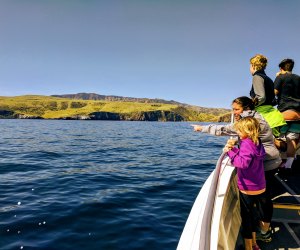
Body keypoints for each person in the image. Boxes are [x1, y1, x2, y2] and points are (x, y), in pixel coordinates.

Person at [192, 96, 280, 242]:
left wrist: (202, 128)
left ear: (246, 109)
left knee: (263, 200)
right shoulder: (256, 118)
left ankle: (264, 233)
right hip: (266, 162)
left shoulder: (251, 122)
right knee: (263, 199)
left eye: (236, 109)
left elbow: (227, 130)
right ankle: (262, 230)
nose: (233, 113)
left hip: (266, 165)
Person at [223, 117, 271, 250]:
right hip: (260, 186)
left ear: (247, 131)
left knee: (247, 218)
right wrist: (236, 150)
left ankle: (250, 247)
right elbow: (249, 156)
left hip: (247, 188)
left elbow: (242, 163)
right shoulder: (256, 141)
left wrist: (230, 151)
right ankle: (255, 243)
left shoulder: (246, 143)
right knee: (254, 214)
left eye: (239, 130)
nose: (237, 132)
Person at [249, 54, 286, 137]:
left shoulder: (257, 77)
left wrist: (249, 106)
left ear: (253, 65)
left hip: (264, 116)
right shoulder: (268, 79)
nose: (249, 69)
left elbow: (261, 97)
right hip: (273, 116)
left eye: (250, 66)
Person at [274, 58, 300, 169]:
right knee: (292, 139)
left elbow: (274, 92)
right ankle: (289, 165)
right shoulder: (298, 78)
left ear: (281, 68)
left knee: (276, 137)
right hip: (298, 113)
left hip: (284, 112)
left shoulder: (280, 77)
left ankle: (278, 162)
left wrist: (277, 77)